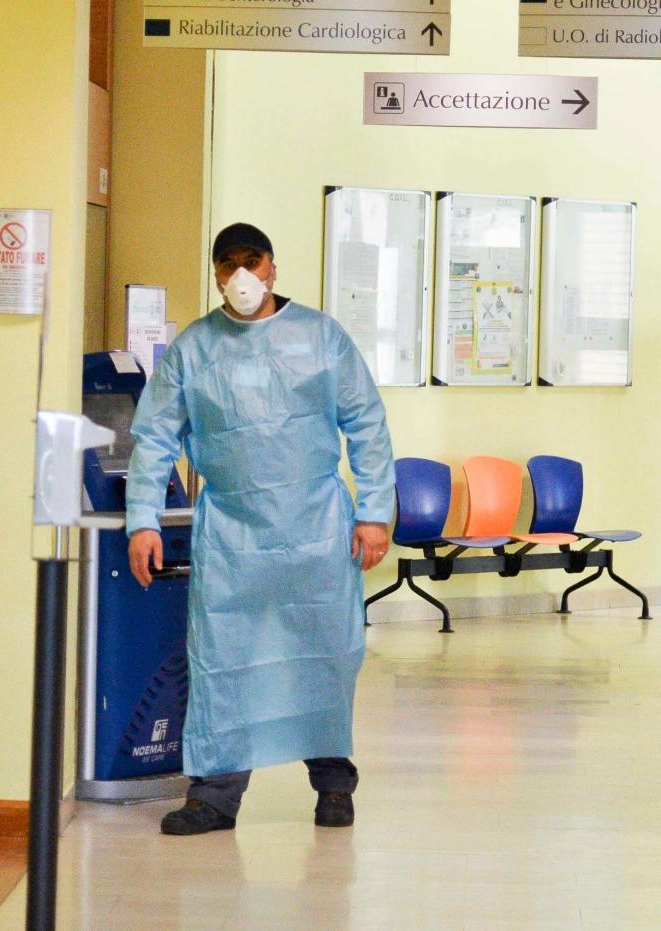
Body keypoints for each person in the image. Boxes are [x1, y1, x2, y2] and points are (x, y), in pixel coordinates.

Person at [125, 222, 396, 836]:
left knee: (323, 653)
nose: (242, 276)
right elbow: (154, 438)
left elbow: (367, 426)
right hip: (232, 533)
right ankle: (215, 797)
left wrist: (374, 513)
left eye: (253, 262)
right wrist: (142, 520)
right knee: (223, 657)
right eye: (229, 265)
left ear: (272, 266)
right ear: (216, 272)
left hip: (316, 529)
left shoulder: (321, 337)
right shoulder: (195, 349)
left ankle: (333, 784)